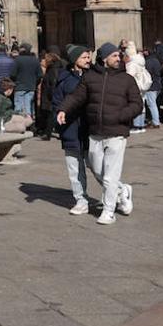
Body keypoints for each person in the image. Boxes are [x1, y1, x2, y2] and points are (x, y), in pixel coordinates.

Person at [56, 43, 142, 226]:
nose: (118, 59)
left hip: (117, 133)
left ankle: (108, 211)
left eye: (119, 56)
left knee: (110, 174)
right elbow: (76, 97)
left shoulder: (126, 79)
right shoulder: (90, 77)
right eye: (114, 56)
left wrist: (121, 116)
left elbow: (137, 104)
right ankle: (122, 190)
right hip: (95, 133)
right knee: (97, 169)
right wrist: (63, 109)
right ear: (104, 59)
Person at [53, 45, 91, 214]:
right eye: (84, 57)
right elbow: (57, 102)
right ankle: (81, 200)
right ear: (75, 60)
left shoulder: (95, 76)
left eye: (88, 57)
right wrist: (59, 120)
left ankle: (118, 192)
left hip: (91, 129)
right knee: (74, 168)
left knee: (98, 167)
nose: (88, 60)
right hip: (70, 129)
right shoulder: (64, 79)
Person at [10, 42, 41, 124]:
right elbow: (40, 75)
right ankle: (29, 123)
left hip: (19, 86)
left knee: (19, 107)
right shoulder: (35, 60)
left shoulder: (17, 60)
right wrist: (35, 83)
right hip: (31, 87)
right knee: (28, 106)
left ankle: (19, 123)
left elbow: (12, 74)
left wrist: (15, 81)